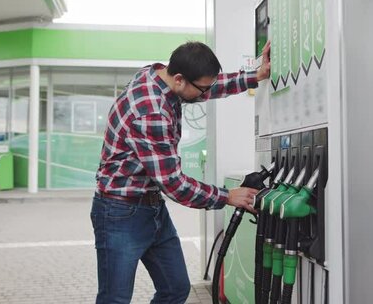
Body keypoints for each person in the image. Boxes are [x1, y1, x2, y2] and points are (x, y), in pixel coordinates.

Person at [91, 41, 271, 303]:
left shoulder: (157, 75)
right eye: (202, 89)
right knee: (115, 299)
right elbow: (174, 184)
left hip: (152, 208)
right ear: (178, 79)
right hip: (120, 213)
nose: (206, 94)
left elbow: (208, 86)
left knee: (175, 289)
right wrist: (227, 196)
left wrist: (255, 76)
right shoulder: (150, 112)